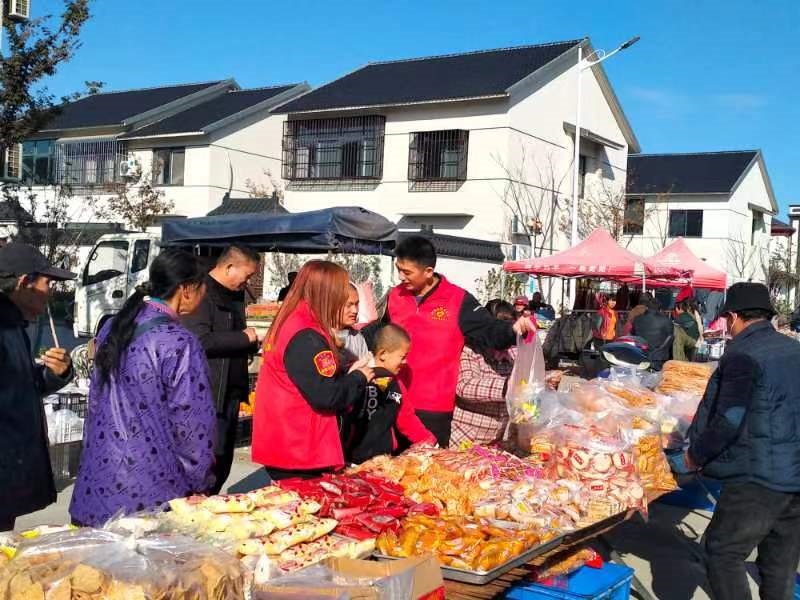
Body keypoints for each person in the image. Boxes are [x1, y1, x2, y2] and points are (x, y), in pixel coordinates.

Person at [70, 249, 215, 526]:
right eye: (203, 287)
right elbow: (193, 426)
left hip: (95, 484)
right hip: (150, 496)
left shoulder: (114, 326)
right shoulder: (179, 342)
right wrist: (200, 483)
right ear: (186, 290)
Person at [685, 283, 800, 600]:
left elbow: (729, 418)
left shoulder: (743, 354)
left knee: (723, 552)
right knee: (780, 564)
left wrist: (695, 456)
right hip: (794, 474)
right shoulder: (794, 350)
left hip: (757, 477)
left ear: (733, 317)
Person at [380, 236, 533, 446]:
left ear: (428, 271)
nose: (400, 277)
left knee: (428, 465)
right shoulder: (395, 296)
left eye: (407, 272)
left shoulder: (457, 300)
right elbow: (381, 335)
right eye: (398, 269)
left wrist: (513, 330)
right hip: (394, 397)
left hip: (433, 408)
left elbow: (489, 329)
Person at [252, 260, 374, 481]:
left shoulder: (294, 321)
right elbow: (327, 395)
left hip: (288, 442)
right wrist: (359, 377)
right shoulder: (306, 334)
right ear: (326, 293)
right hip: (299, 447)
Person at [0, 243, 75, 531]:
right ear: (24, 283)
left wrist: (56, 374)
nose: (50, 292)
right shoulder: (4, 327)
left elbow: (18, 389)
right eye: (47, 283)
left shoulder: (13, 325)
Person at [182, 244, 260, 494]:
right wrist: (243, 338)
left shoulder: (235, 294)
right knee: (210, 460)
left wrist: (250, 345)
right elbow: (199, 339)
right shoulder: (202, 293)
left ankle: (212, 499)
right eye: (247, 275)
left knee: (224, 458)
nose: (248, 281)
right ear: (229, 267)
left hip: (231, 392)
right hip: (210, 393)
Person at [341, 324, 435, 464]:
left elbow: (407, 419)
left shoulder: (396, 384)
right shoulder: (355, 375)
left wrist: (428, 441)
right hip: (352, 460)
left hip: (383, 460)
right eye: (402, 357)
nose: (405, 362)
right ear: (383, 354)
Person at [452, 301, 517, 448]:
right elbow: (464, 386)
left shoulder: (512, 353)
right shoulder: (470, 350)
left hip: (497, 441)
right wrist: (507, 386)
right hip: (466, 438)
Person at [630, 295, 673, 371]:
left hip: (641, 355)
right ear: (660, 309)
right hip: (659, 358)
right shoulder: (666, 320)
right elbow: (670, 338)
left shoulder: (637, 319)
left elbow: (633, 335)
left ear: (647, 307)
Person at [337, 283, 370, 368]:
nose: (355, 310)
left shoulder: (357, 338)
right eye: (349, 305)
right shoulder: (319, 337)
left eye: (357, 304)